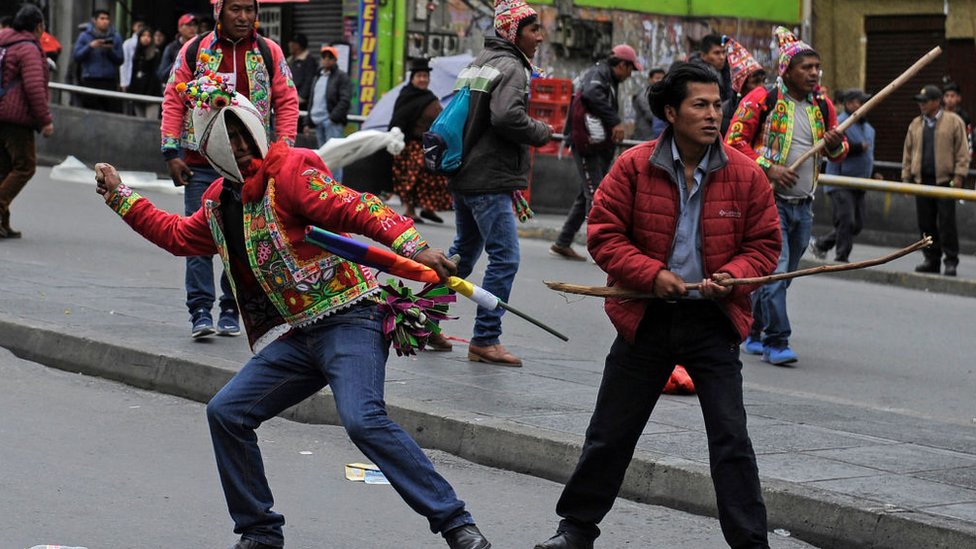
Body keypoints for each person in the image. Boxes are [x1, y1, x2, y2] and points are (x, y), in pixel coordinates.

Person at [94, 76, 491, 549]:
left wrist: (414, 245)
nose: (239, 148)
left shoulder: (291, 173)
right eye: (226, 141)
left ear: (257, 132)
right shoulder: (219, 205)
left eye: (243, 135)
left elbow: (357, 208)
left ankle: (456, 523)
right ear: (210, 152)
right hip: (297, 336)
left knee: (362, 419)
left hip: (352, 318)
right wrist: (120, 196)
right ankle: (260, 531)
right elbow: (178, 237)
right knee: (227, 413)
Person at [534, 61, 781, 549]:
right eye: (700, 105)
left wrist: (732, 278)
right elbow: (604, 236)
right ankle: (576, 530)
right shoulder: (633, 165)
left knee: (731, 440)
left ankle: (752, 543)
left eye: (718, 104)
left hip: (713, 321)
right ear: (671, 111)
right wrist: (652, 275)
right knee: (610, 433)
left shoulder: (746, 174)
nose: (714, 115)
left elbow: (765, 245)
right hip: (645, 317)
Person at [160, 0, 299, 339]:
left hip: (250, 165)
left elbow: (287, 100)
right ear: (219, 11)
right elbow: (173, 97)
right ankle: (200, 310)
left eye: (250, 10)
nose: (244, 17)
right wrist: (170, 151)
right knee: (198, 239)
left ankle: (230, 308)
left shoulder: (269, 52)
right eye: (236, 9)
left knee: (241, 241)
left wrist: (283, 149)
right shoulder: (196, 49)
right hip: (199, 163)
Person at [726, 26, 847, 365]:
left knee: (786, 274)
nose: (813, 73)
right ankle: (777, 341)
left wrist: (837, 145)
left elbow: (837, 152)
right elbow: (733, 143)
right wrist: (769, 168)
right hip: (769, 202)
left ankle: (754, 328)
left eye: (816, 67)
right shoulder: (761, 99)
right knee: (776, 273)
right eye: (806, 67)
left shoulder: (822, 106)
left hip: (804, 205)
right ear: (786, 70)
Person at [447, 0, 552, 367]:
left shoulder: (479, 62)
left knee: (463, 252)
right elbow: (507, 117)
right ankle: (486, 339)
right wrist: (542, 131)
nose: (540, 37)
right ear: (513, 33)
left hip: (465, 173)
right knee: (505, 257)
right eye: (533, 30)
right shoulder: (511, 67)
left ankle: (420, 318)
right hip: (488, 177)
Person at [550, 43, 640, 261]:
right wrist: (616, 122)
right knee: (597, 193)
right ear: (621, 65)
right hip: (587, 144)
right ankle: (599, 247)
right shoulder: (598, 74)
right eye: (630, 69)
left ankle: (563, 241)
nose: (629, 75)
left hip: (597, 144)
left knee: (587, 194)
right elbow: (591, 95)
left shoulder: (607, 77)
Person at [901, 84, 969, 277]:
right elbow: (907, 153)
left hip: (945, 181)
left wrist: (959, 176)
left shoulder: (954, 121)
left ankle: (950, 261)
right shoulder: (915, 124)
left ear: (936, 102)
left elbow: (962, 152)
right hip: (922, 181)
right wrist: (906, 179)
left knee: (947, 223)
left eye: (925, 101)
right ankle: (931, 259)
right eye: (920, 102)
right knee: (926, 223)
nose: (921, 105)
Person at [0, 4, 54, 239]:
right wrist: (45, 121)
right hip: (15, 117)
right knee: (25, 166)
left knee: (4, 169)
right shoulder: (28, 48)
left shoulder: (4, 41)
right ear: (39, 26)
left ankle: (3, 223)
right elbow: (33, 88)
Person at [809, 89, 875, 263]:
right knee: (847, 220)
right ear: (849, 103)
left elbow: (869, 155)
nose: (863, 106)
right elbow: (837, 147)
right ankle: (842, 256)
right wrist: (858, 147)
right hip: (840, 181)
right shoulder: (840, 123)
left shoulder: (869, 128)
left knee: (858, 224)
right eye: (859, 102)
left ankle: (822, 244)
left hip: (860, 182)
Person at [389, 57, 452, 225]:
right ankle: (409, 210)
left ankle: (428, 208)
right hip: (409, 145)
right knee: (413, 174)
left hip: (429, 144)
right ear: (413, 78)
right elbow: (398, 120)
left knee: (436, 174)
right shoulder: (406, 97)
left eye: (425, 76)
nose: (423, 79)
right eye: (420, 76)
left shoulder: (431, 97)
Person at [305, 44, 351, 180]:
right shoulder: (317, 76)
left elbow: (345, 100)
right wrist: (307, 122)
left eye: (330, 57)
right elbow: (312, 100)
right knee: (323, 158)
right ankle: (326, 188)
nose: (326, 59)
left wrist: (332, 119)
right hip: (318, 123)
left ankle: (336, 189)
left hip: (332, 123)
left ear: (335, 60)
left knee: (335, 157)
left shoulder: (341, 77)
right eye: (324, 57)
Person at [72, 9, 124, 112]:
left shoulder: (116, 37)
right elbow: (76, 56)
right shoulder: (84, 36)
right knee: (90, 112)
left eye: (107, 19)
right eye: (102, 18)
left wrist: (110, 50)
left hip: (109, 81)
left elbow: (120, 59)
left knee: (111, 112)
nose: (105, 21)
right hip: (90, 79)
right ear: (94, 20)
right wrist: (90, 46)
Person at [721, 37, 766, 137]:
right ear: (740, 86)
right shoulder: (724, 115)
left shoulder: (767, 109)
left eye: (763, 81)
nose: (762, 87)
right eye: (756, 82)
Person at [128, 27, 162, 119]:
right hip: (138, 91)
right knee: (139, 120)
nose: (146, 38)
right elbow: (133, 73)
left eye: (148, 36)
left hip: (151, 92)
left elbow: (154, 73)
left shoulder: (155, 53)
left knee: (150, 121)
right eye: (143, 35)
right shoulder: (137, 53)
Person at [157, 13, 198, 90]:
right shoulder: (171, 48)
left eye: (194, 25)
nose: (192, 28)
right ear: (180, 28)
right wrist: (178, 61)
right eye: (188, 25)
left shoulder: (202, 45)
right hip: (176, 89)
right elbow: (161, 75)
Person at [689, 33, 732, 103]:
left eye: (724, 52)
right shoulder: (696, 74)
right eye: (717, 53)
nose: (722, 57)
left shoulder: (728, 71)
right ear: (703, 56)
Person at [631, 67, 666, 141]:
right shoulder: (644, 95)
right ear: (650, 80)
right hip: (645, 136)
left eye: (662, 78)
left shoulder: (662, 94)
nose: (660, 81)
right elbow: (651, 114)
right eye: (657, 78)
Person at [286, 33, 317, 112]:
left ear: (298, 45)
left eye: (292, 43)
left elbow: (309, 82)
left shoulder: (309, 61)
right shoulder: (289, 60)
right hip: (288, 101)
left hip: (300, 106)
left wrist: (300, 98)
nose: (289, 45)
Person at [942, 81, 973, 157]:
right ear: (943, 98)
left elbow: (969, 137)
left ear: (958, 98)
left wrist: (969, 155)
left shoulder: (964, 117)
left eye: (952, 96)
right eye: (947, 96)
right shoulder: (938, 115)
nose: (949, 99)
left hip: (959, 156)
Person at [119, 15, 146, 95]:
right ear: (133, 27)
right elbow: (124, 63)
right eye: (139, 26)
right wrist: (124, 82)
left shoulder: (148, 43)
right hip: (130, 78)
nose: (141, 28)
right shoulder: (127, 43)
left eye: (143, 26)